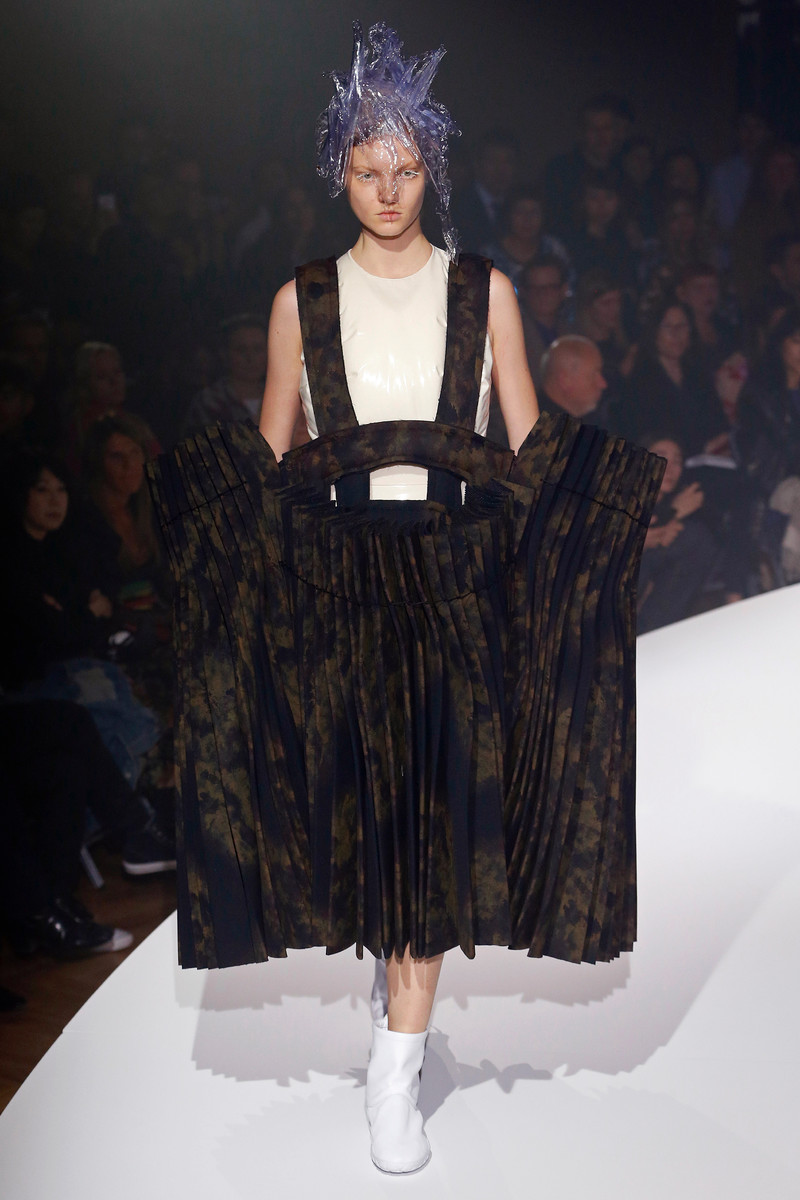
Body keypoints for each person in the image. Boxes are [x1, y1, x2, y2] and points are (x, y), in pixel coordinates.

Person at [148, 22, 663, 1177]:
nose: (386, 190)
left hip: (452, 580)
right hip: (334, 584)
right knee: (367, 821)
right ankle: (396, 1007)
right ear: (336, 168)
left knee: (425, 831)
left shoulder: (483, 293)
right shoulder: (301, 300)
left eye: (406, 167)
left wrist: (610, 502)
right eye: (364, 168)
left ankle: (395, 1067)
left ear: (433, 166)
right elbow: (271, 455)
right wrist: (203, 528)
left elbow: (526, 445)